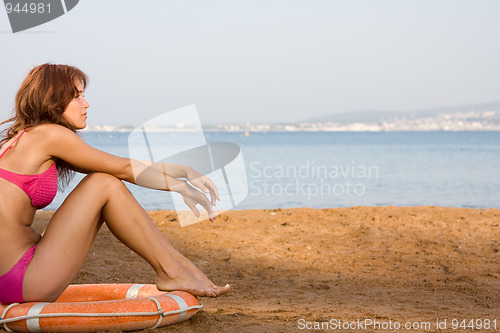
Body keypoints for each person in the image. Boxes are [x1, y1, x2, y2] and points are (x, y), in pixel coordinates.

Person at [0, 63, 230, 304]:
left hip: (15, 272)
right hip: (23, 278)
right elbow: (122, 169)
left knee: (103, 179)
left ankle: (178, 268)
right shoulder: (50, 135)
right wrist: (181, 185)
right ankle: (172, 271)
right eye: (76, 96)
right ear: (52, 99)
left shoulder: (19, 140)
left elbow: (120, 165)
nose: (86, 104)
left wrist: (183, 171)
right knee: (104, 183)